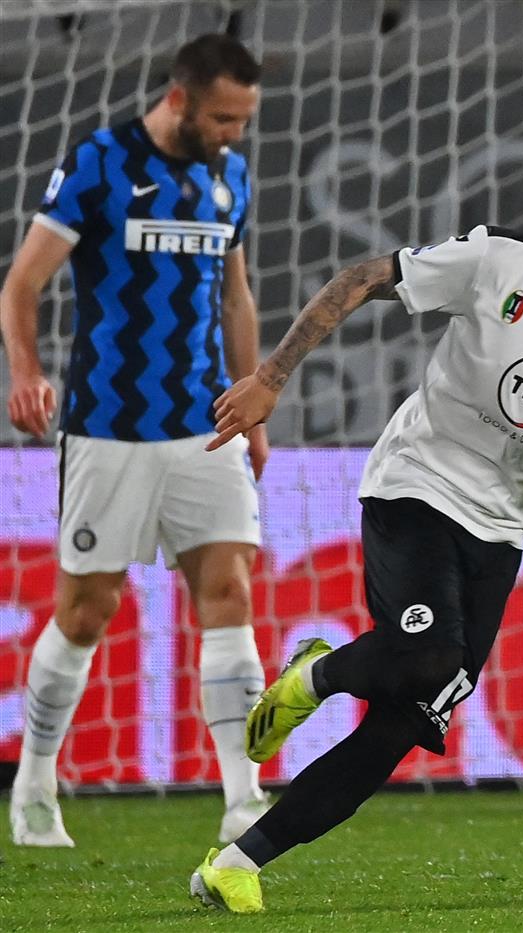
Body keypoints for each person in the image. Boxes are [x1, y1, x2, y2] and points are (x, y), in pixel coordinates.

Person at [187, 125, 523, 914]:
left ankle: (237, 861)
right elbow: (358, 279)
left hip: (504, 532)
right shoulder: (500, 259)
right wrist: (271, 378)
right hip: (417, 487)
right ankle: (314, 674)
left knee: (408, 720)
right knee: (424, 655)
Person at [1, 34, 269, 847]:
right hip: (109, 424)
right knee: (88, 609)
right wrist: (25, 370)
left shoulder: (232, 175)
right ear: (181, 99)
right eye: (224, 117)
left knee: (230, 592)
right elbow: (22, 284)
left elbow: (237, 294)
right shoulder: (101, 162)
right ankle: (35, 786)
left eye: (245, 119)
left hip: (205, 424)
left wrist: (253, 404)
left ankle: (244, 796)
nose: (235, 133)